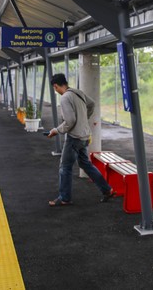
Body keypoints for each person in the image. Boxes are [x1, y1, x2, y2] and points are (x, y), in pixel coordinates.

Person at [46, 73, 114, 206]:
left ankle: (64, 197)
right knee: (85, 164)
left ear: (55, 86)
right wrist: (84, 118)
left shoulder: (65, 97)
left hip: (74, 138)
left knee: (65, 167)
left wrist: (56, 130)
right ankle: (107, 190)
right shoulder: (77, 92)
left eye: (55, 89)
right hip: (84, 135)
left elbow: (70, 121)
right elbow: (92, 104)